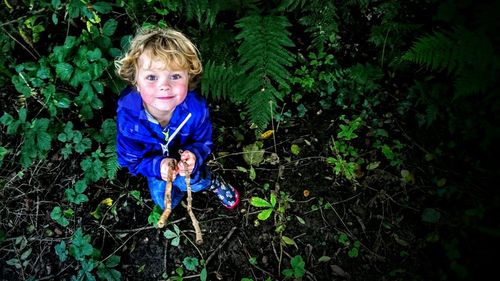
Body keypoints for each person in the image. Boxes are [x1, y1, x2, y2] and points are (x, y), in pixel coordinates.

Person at [114, 27, 239, 212]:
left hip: (186, 164)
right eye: (151, 77)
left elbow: (203, 141)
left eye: (175, 76)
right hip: (157, 169)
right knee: (164, 201)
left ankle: (211, 181)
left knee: (196, 180)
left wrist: (195, 154)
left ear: (188, 77)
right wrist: (158, 167)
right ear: (135, 82)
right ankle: (178, 193)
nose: (164, 86)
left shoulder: (195, 110)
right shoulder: (129, 120)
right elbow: (130, 160)